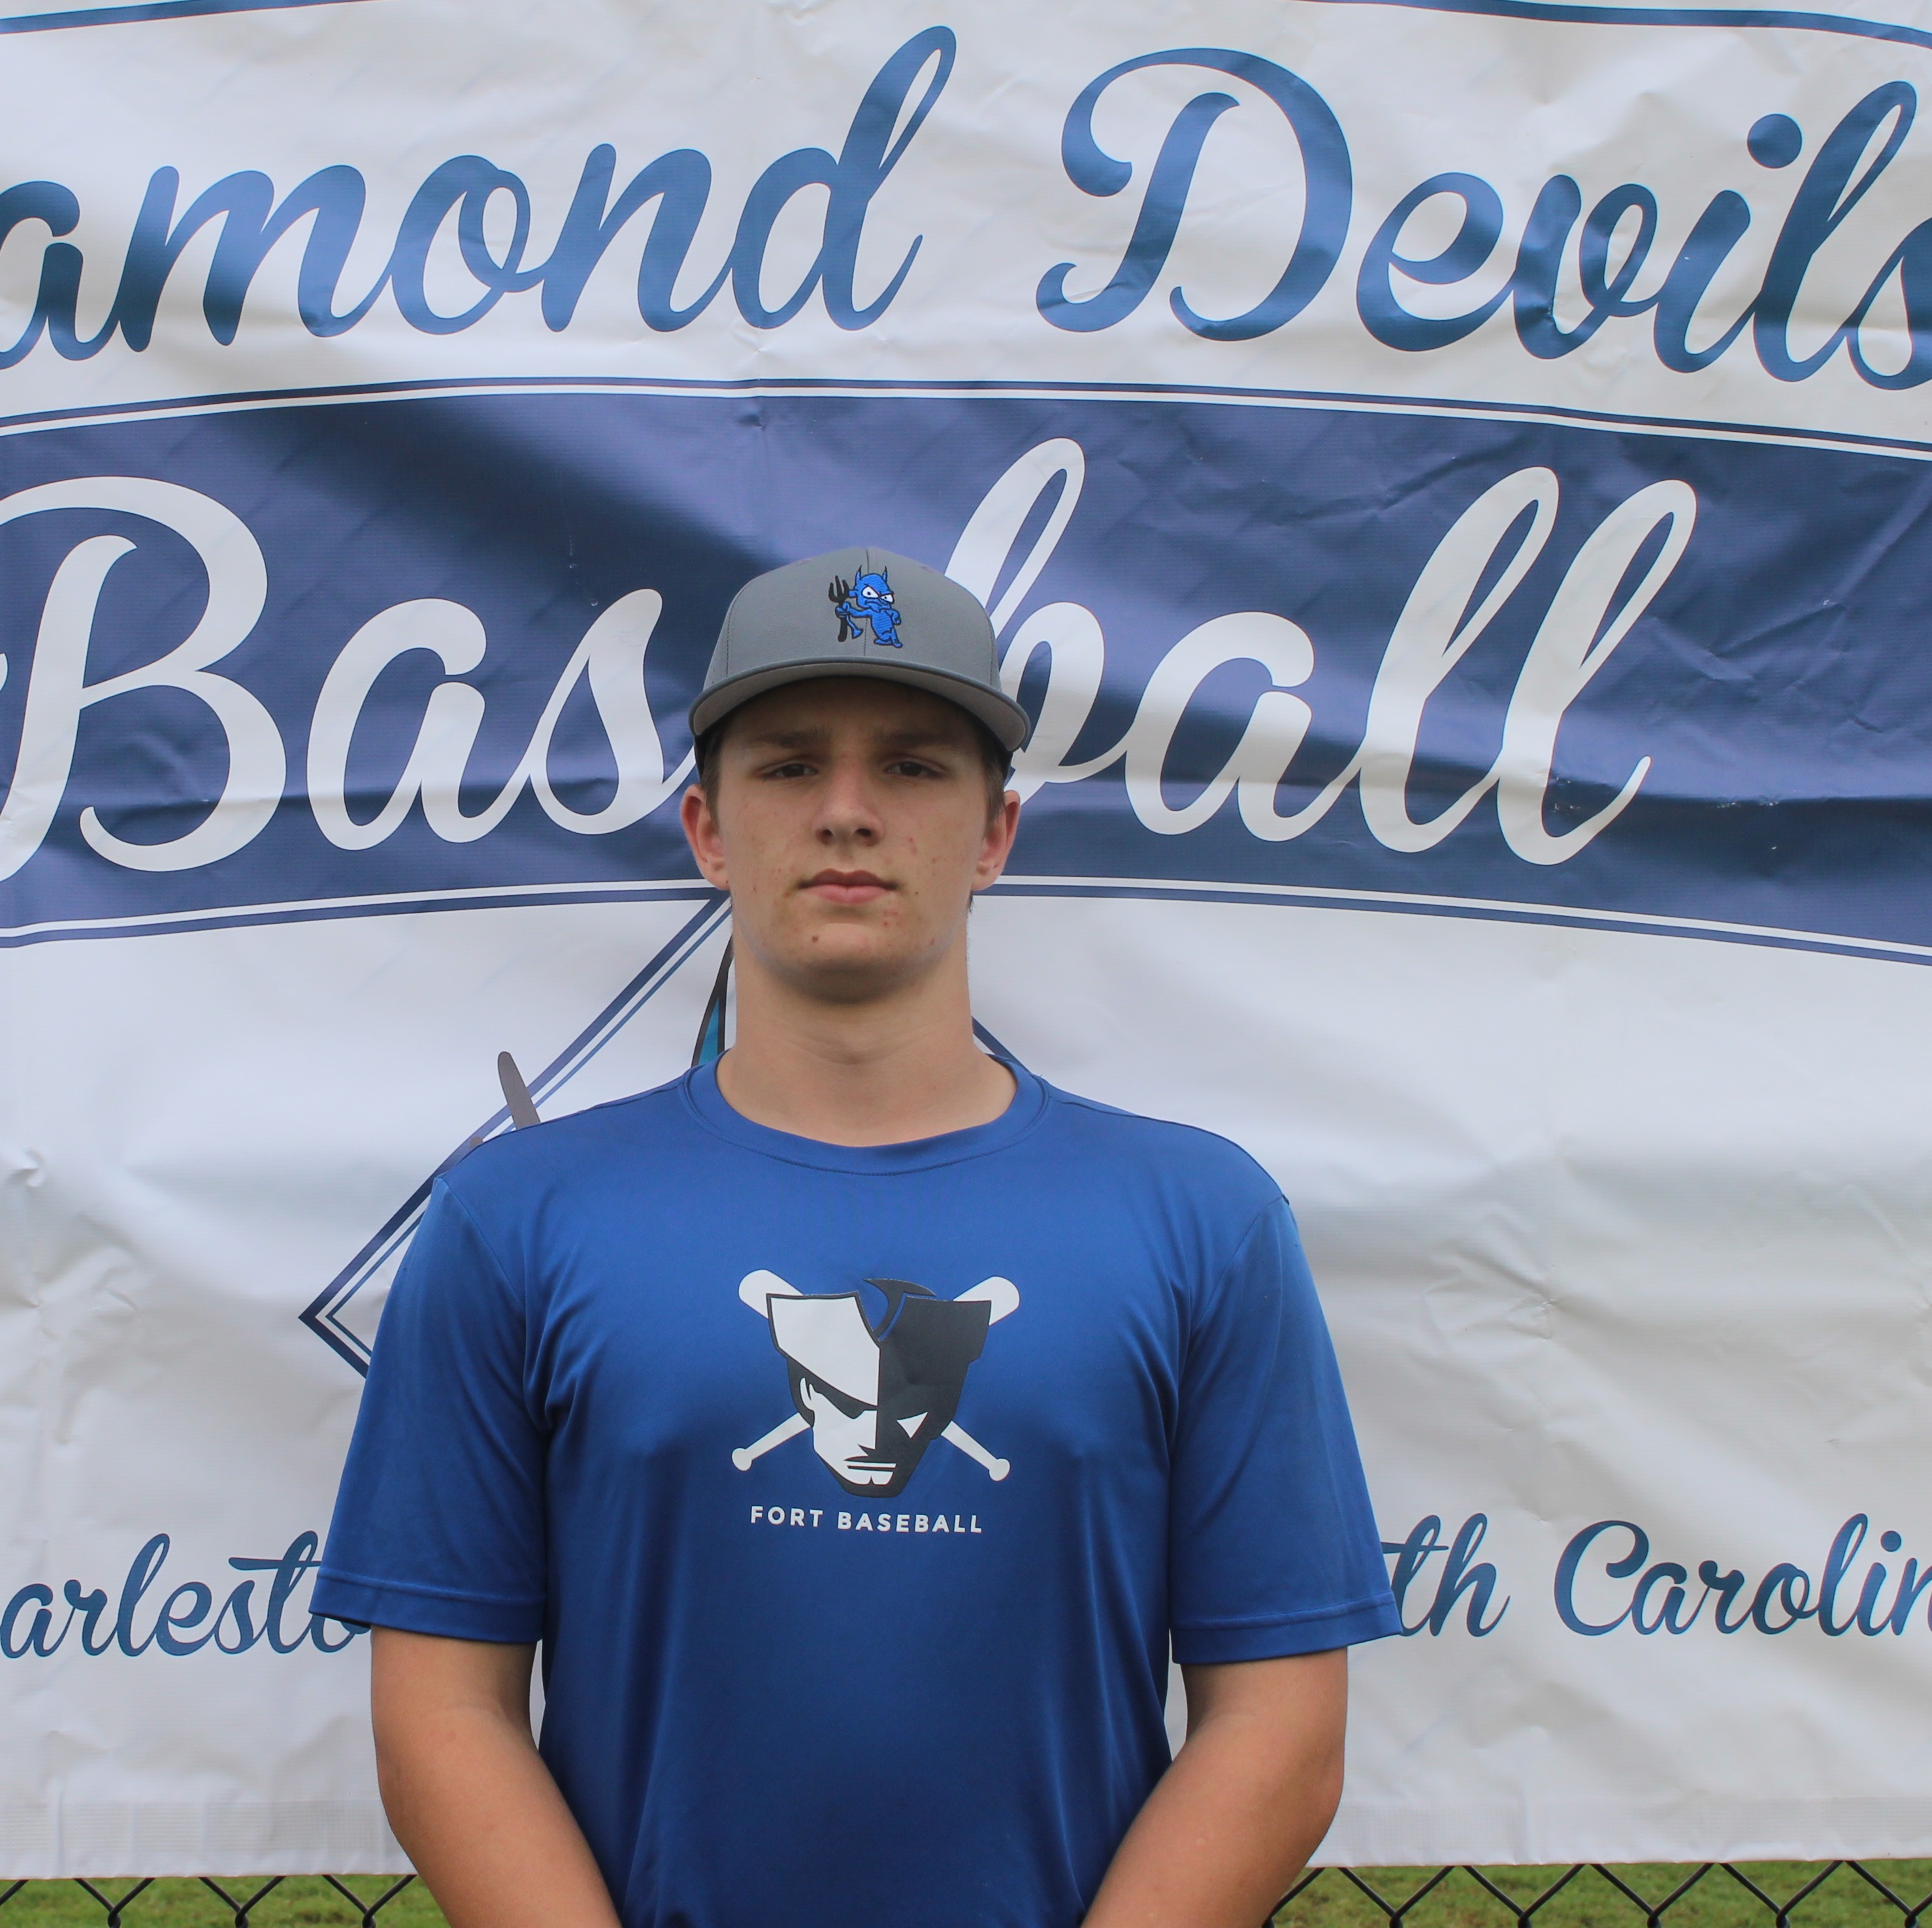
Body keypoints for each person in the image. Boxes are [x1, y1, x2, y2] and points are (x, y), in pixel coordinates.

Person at [314, 548, 1401, 1928]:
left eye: (911, 766)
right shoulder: (513, 1218)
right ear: (708, 830)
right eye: (787, 766)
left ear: (996, 833)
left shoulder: (1201, 1219)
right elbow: (442, 1710)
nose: (846, 811)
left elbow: (1280, 1725)